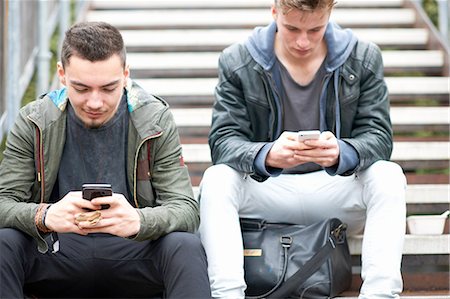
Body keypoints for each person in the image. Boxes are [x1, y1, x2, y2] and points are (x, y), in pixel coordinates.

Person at [198, 0, 407, 298]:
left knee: (388, 175)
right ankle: (227, 294)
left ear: (330, 15)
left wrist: (342, 152)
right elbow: (223, 141)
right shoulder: (238, 60)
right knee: (217, 179)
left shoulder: (362, 57)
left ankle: (379, 295)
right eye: (292, 28)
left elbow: (379, 137)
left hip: (337, 190)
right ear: (274, 13)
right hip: (269, 189)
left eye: (315, 29)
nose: (303, 41)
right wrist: (266, 155)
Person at [0, 21, 211, 298]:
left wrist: (138, 220)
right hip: (55, 249)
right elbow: (4, 202)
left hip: (133, 248)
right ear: (62, 75)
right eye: (82, 89)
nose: (95, 102)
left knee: (185, 246)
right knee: (4, 242)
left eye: (109, 88)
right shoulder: (34, 120)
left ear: (125, 75)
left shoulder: (154, 119)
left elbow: (185, 209)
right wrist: (45, 215)